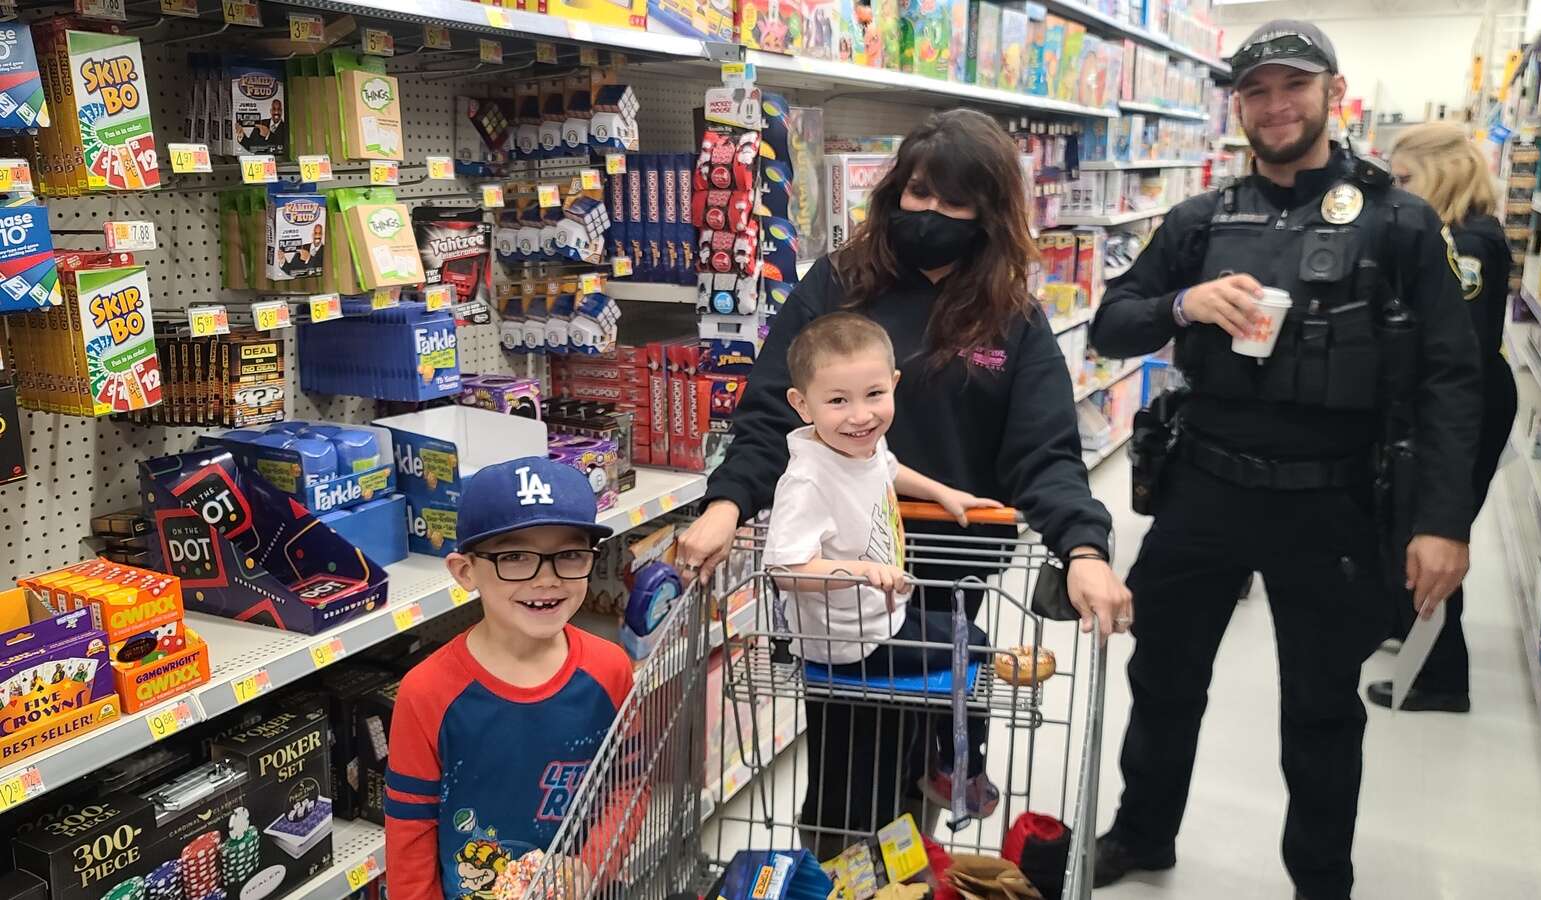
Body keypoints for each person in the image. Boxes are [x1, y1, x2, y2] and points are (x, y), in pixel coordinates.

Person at [1088, 21, 1482, 900]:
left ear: (1331, 92)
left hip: (1334, 504)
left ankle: (1319, 881)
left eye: (1292, 87)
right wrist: (1184, 302)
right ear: (1237, 104)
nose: (1275, 106)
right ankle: (1144, 834)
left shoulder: (1399, 220)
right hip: (1205, 488)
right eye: (1256, 91)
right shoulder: (1200, 220)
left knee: (1321, 707)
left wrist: (1442, 524)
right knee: (1161, 679)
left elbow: (1454, 382)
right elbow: (1115, 320)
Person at [676, 107, 1130, 843]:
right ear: (894, 194)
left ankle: (906, 860)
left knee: (924, 753)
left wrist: (1085, 548)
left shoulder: (1009, 316)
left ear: (988, 211)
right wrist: (727, 503)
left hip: (949, 576)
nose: (932, 214)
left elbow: (1045, 452)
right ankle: (845, 861)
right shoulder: (841, 283)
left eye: (955, 201)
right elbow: (770, 413)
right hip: (840, 579)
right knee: (850, 772)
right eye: (919, 194)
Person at [765, 311, 1005, 834]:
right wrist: (859, 571)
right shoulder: (808, 479)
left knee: (967, 649)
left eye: (874, 394)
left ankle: (940, 766)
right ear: (801, 404)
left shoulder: (863, 447)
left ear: (894, 384)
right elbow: (785, 567)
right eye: (837, 401)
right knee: (972, 647)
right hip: (850, 643)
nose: (860, 416)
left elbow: (889, 468)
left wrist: (943, 492)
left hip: (881, 620)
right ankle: (953, 768)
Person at [383, 457, 633, 900]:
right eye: (514, 557)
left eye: (569, 555)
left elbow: (629, 783)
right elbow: (410, 834)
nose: (546, 579)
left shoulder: (609, 669)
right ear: (465, 572)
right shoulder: (427, 692)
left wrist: (590, 866)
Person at [1364, 122, 1517, 713]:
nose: (1398, 193)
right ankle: (1413, 635)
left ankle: (1442, 678)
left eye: (1405, 179)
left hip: (1465, 408)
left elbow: (1457, 354)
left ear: (1442, 171)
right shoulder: (1463, 234)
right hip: (1468, 400)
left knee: (1429, 532)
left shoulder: (1466, 246)